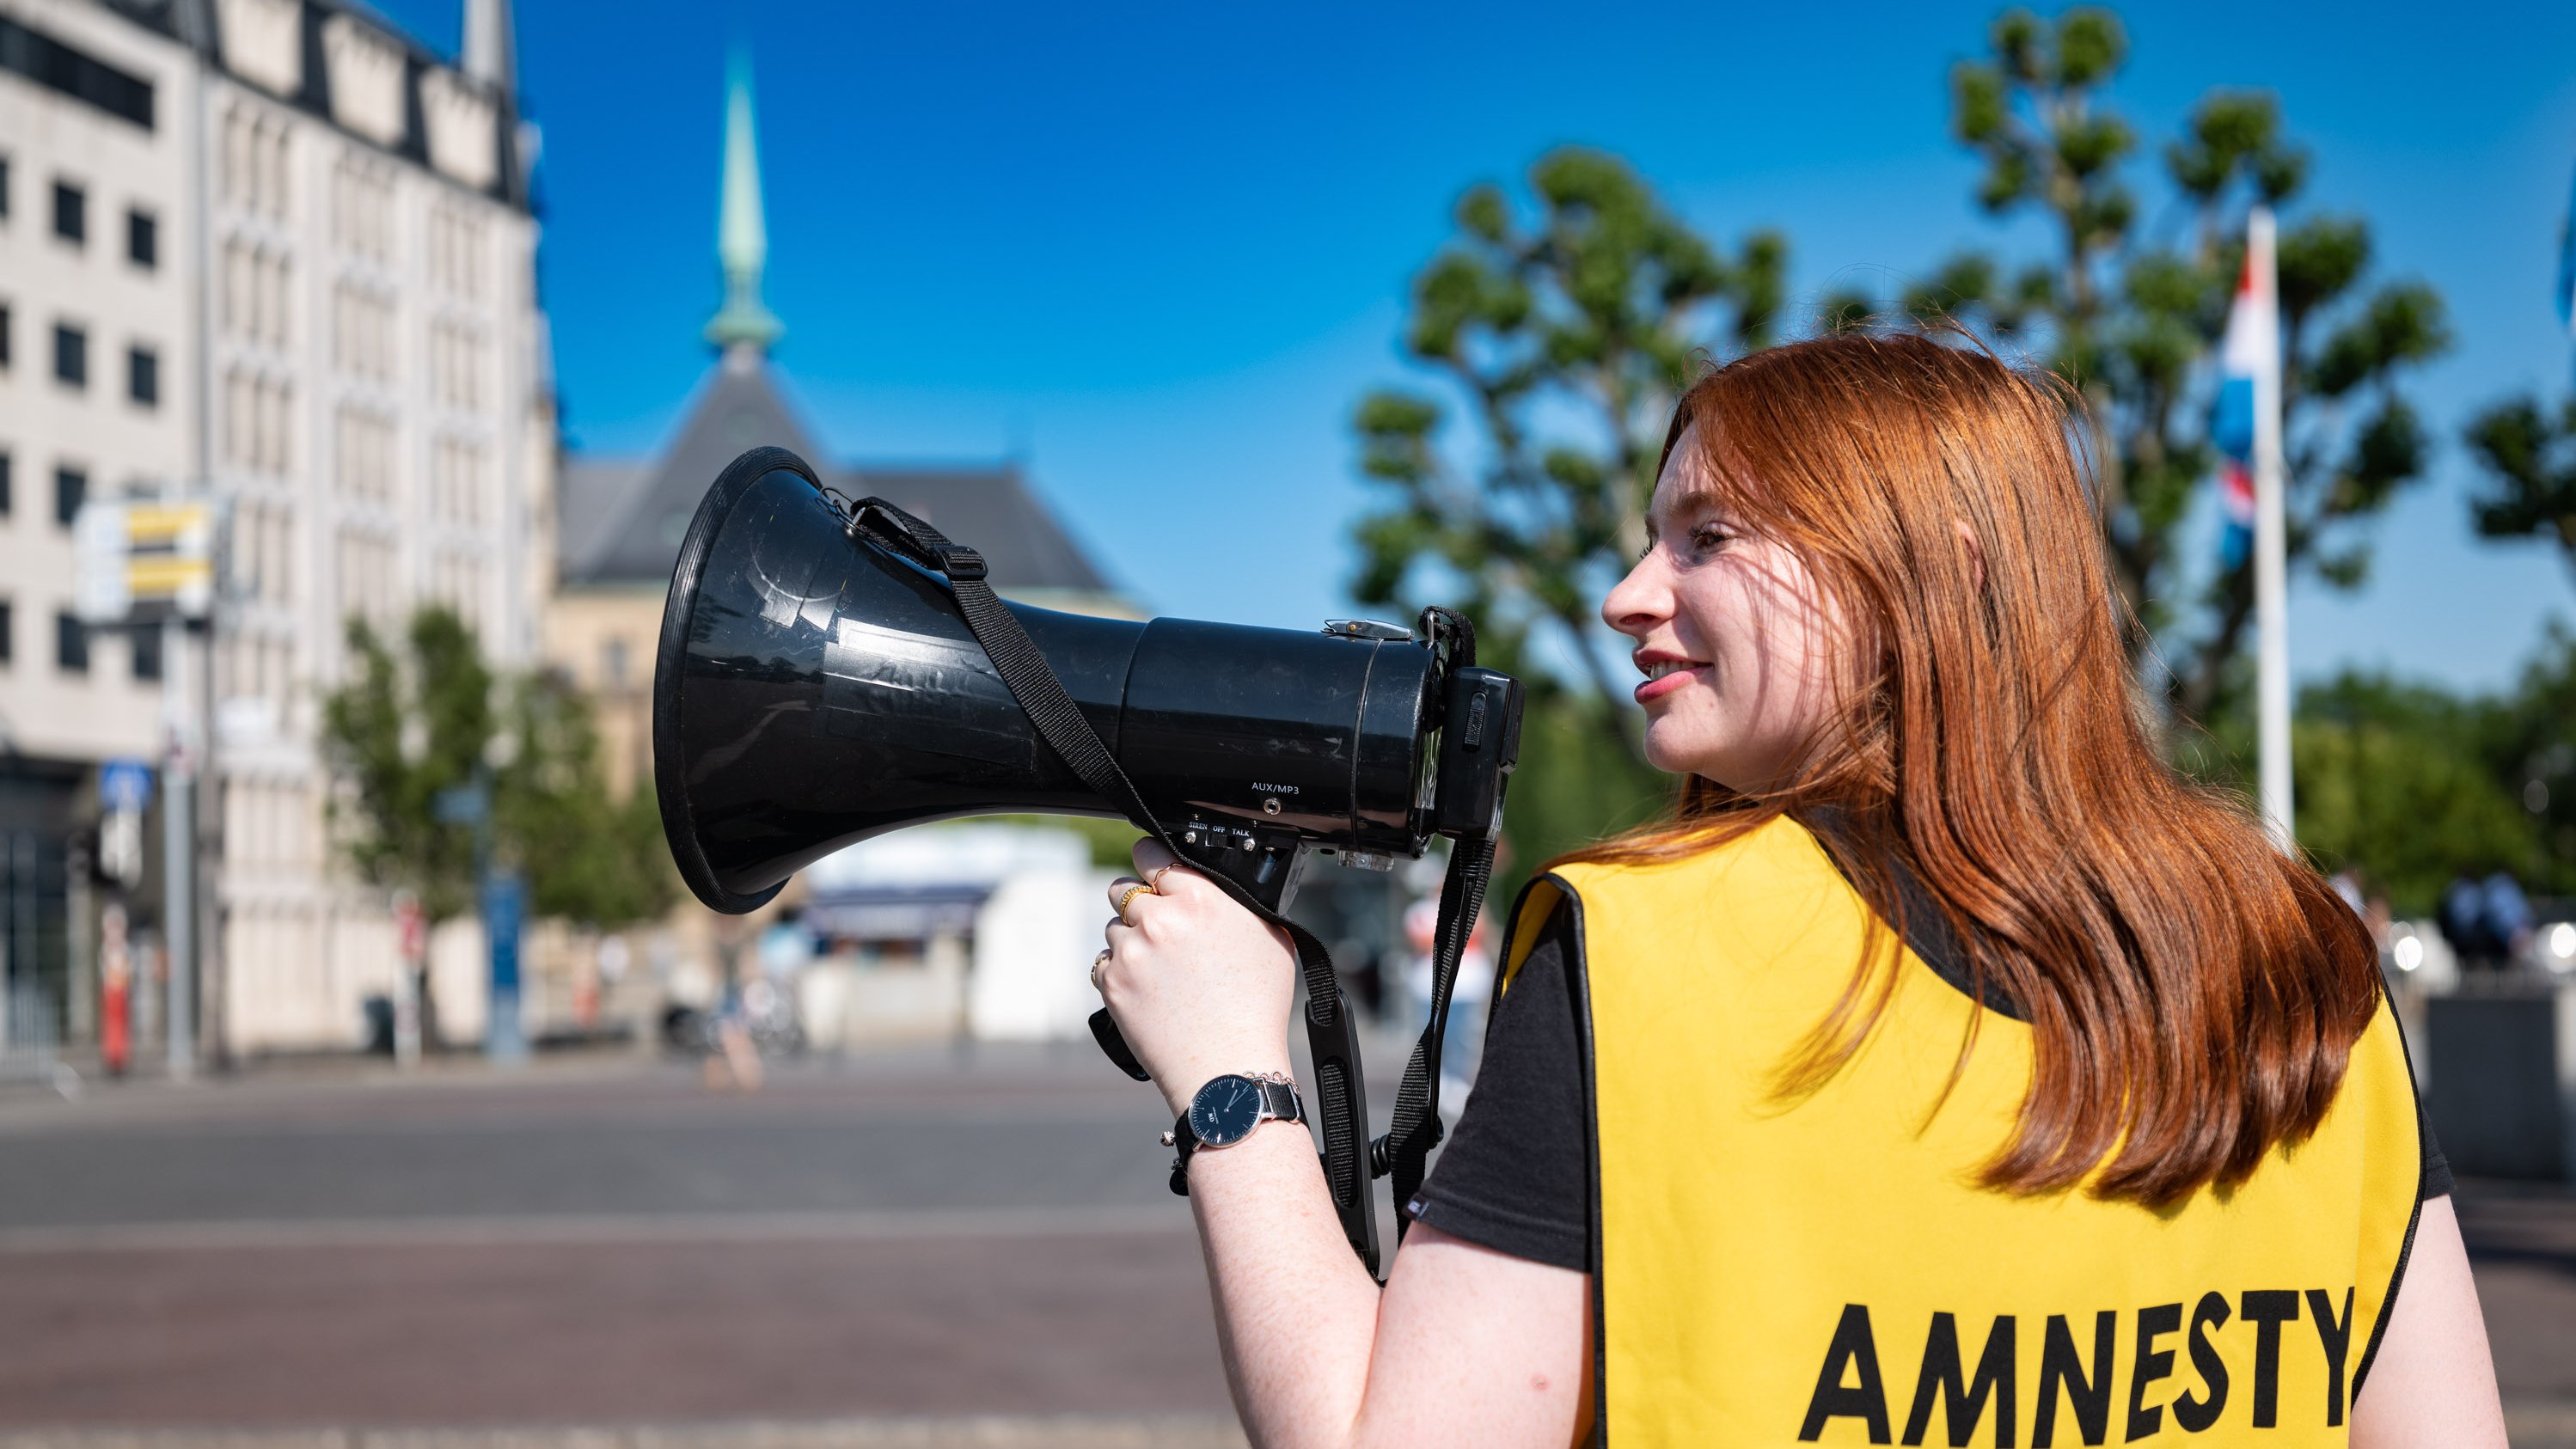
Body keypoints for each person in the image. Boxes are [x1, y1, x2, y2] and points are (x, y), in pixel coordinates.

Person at [1090, 333, 2506, 1447]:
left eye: (1707, 536)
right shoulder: (2304, 960)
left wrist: (1232, 1079)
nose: (1625, 594)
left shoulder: (1647, 952)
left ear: (1933, 577)